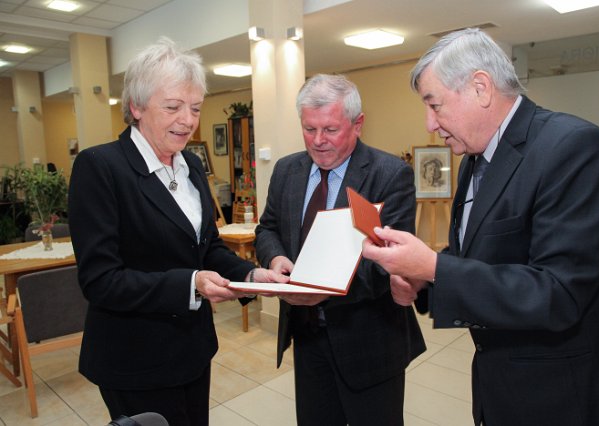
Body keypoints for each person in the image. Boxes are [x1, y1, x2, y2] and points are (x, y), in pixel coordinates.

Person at [362, 28, 599, 426]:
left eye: (435, 105)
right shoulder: (474, 159)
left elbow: (559, 293)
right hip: (501, 386)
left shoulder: (574, 148)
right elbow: (479, 255)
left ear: (480, 88)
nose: (430, 124)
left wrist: (434, 268)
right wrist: (423, 280)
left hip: (568, 395)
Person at [68, 37, 286, 426]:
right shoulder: (100, 167)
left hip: (192, 349)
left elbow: (207, 248)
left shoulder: (190, 166)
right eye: (173, 107)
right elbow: (101, 280)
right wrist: (191, 284)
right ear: (136, 107)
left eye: (195, 108)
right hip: (135, 358)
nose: (188, 120)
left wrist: (250, 275)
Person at [255, 74, 425, 426]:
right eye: (309, 129)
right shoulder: (287, 170)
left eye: (330, 130)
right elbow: (267, 228)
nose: (318, 141)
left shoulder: (389, 174)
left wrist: (326, 289)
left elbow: (391, 264)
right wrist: (275, 257)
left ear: (357, 124)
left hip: (368, 342)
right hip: (306, 335)